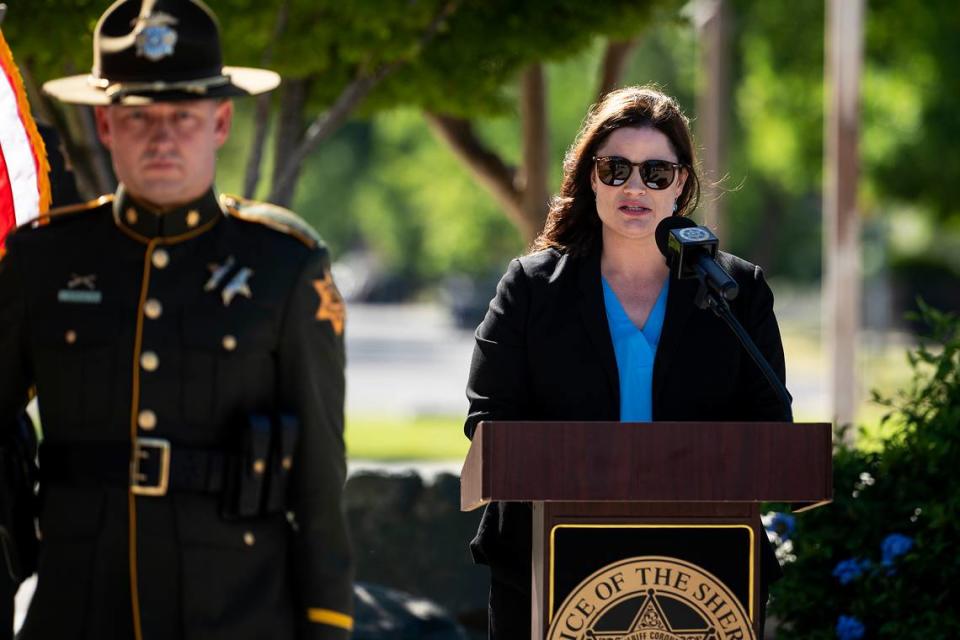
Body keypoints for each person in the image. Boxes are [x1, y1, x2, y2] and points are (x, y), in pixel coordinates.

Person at [0, 1, 353, 638]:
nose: (162, 136)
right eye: (140, 117)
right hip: (77, 607)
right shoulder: (44, 260)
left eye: (183, 117)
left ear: (220, 121)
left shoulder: (283, 266)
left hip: (237, 611)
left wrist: (327, 623)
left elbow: (321, 480)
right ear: (105, 125)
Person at [463, 85, 790, 638]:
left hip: (701, 565)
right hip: (545, 566)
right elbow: (489, 424)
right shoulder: (531, 288)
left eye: (655, 172)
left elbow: (769, 421)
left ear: (681, 183)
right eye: (616, 169)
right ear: (591, 176)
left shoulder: (737, 290)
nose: (634, 187)